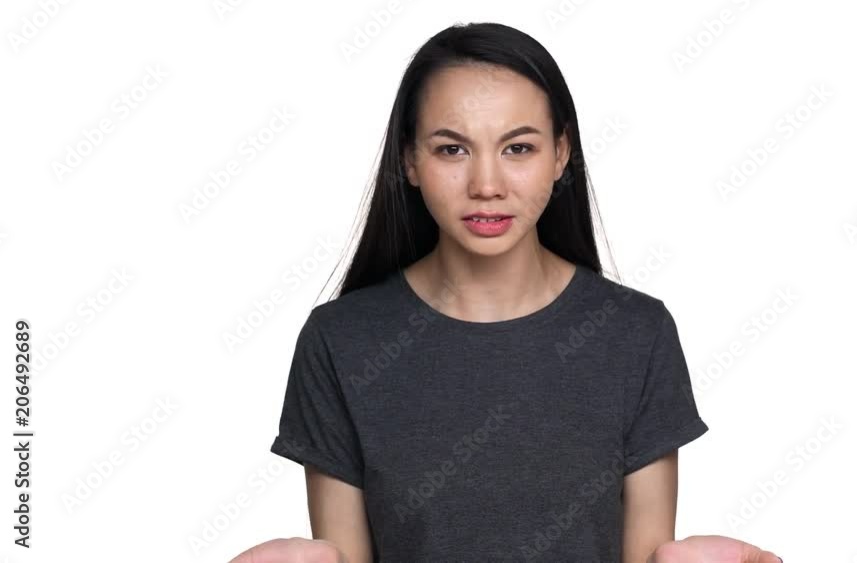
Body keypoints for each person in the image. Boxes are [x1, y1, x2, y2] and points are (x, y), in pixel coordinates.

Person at [230, 22, 782, 563]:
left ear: (561, 154)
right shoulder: (339, 342)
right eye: (452, 150)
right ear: (409, 160)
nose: (487, 185)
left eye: (518, 148)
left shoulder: (637, 334)